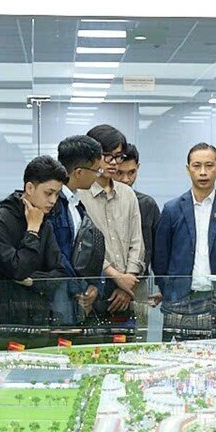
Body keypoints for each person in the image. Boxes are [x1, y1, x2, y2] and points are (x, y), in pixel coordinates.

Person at [150, 144, 216, 341]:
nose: (203, 172)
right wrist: (167, 289)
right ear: (188, 169)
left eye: (209, 165)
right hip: (178, 300)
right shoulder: (171, 209)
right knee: (175, 358)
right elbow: (160, 256)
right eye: (197, 166)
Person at [0, 156, 67, 331]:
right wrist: (32, 230)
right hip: (0, 320)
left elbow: (59, 273)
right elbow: (17, 269)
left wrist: (33, 281)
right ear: (29, 187)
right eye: (48, 193)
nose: (53, 200)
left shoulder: (46, 222)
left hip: (38, 317)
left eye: (57, 194)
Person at [79, 125, 146, 328]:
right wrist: (117, 277)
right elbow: (83, 246)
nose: (113, 162)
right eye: (106, 156)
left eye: (117, 156)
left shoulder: (127, 194)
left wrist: (128, 282)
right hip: (92, 288)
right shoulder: (80, 194)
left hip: (127, 291)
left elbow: (137, 243)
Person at [46, 135, 107, 325]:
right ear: (79, 172)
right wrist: (79, 287)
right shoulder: (52, 206)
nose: (98, 175)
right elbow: (56, 254)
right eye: (97, 170)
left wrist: (94, 286)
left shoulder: (77, 204)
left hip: (74, 298)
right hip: (55, 299)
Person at [113, 143, 161, 324]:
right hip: (106, 282)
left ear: (138, 168)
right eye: (119, 173)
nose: (125, 179)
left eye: (131, 173)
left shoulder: (147, 204)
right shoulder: (96, 201)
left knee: (138, 338)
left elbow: (153, 250)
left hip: (138, 285)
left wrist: (163, 286)